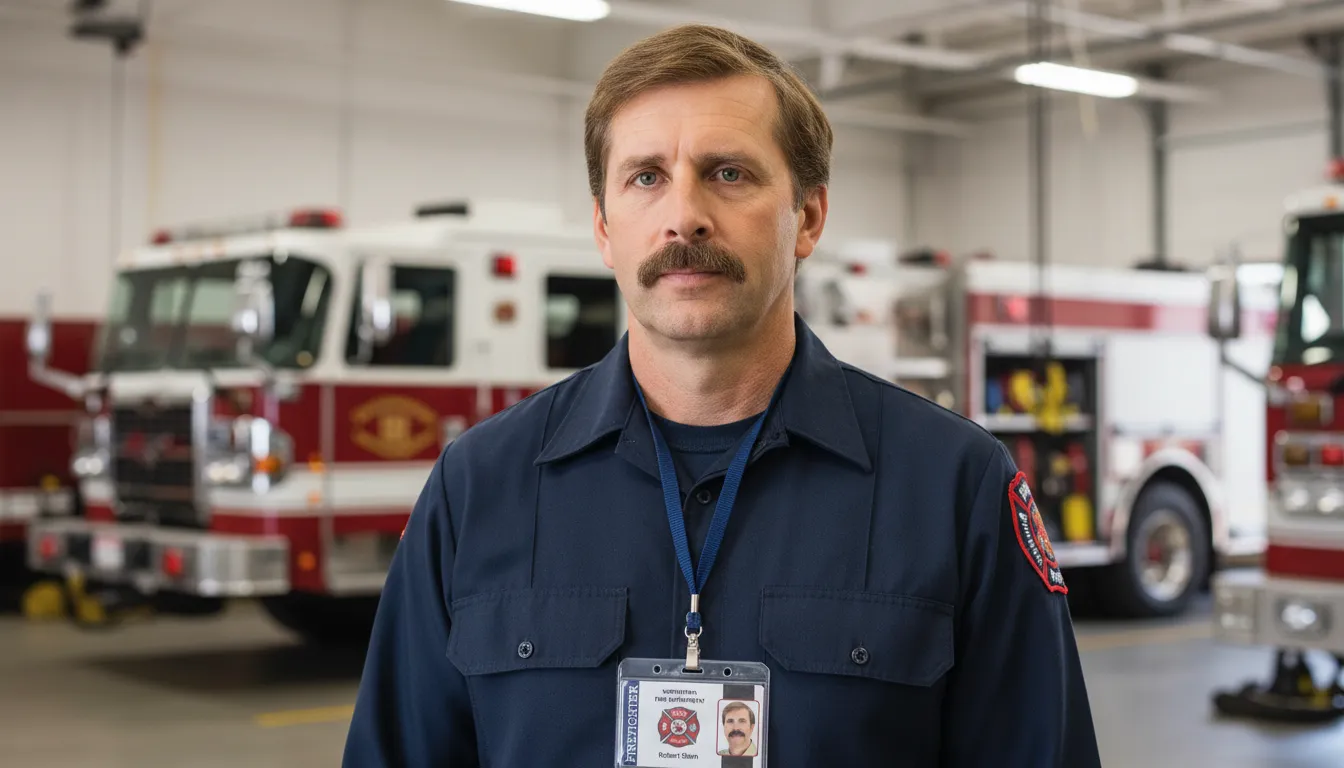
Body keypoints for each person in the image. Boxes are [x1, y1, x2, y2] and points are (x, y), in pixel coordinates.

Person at [343, 22, 1101, 767]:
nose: (683, 216)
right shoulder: (478, 487)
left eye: (728, 172)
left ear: (807, 217)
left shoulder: (955, 487)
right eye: (646, 177)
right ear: (605, 229)